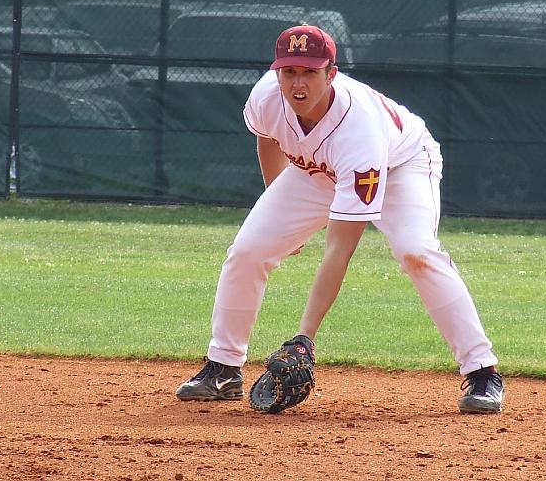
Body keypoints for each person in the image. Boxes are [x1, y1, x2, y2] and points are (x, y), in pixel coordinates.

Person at [175, 25, 504, 414]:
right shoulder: (266, 95)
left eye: (310, 72)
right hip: (315, 171)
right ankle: (224, 367)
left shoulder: (358, 129)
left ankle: (483, 372)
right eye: (289, 71)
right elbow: (268, 137)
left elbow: (339, 249)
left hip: (400, 166)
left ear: (332, 73)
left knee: (415, 251)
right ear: (276, 72)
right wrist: (280, 220)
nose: (298, 83)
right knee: (248, 250)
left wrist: (304, 338)